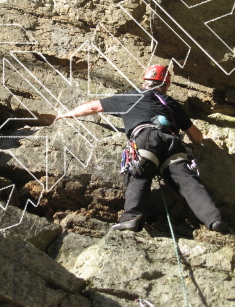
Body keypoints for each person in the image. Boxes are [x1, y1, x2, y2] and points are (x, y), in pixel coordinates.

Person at [55, 64, 224, 232]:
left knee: (139, 173)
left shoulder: (131, 97)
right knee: (188, 182)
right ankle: (214, 219)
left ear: (145, 82)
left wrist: (67, 114)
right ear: (166, 86)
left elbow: (94, 107)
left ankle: (132, 218)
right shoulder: (171, 104)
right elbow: (196, 136)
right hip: (173, 142)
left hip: (145, 138)